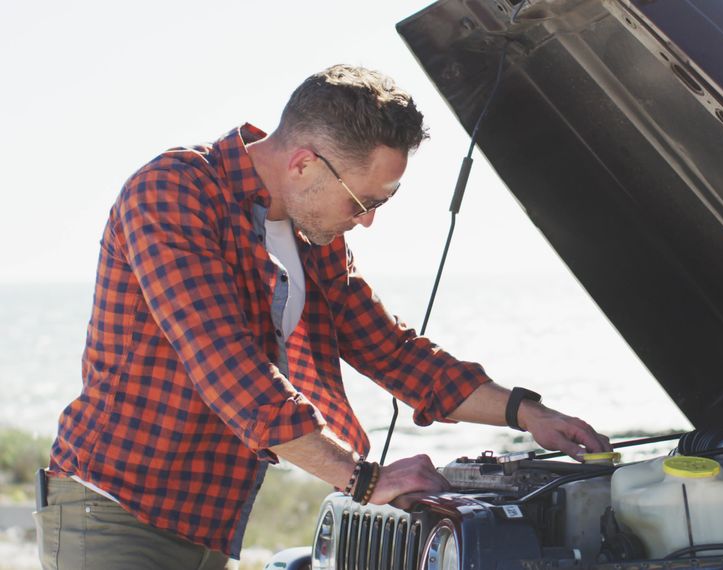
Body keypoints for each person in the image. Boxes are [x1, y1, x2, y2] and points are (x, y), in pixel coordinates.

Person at [37, 64, 612, 569]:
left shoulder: (314, 238)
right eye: (365, 203)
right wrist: (367, 479)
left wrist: (526, 413)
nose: (365, 222)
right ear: (305, 163)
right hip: (110, 507)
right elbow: (228, 370)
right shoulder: (173, 192)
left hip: (205, 519)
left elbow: (391, 351)